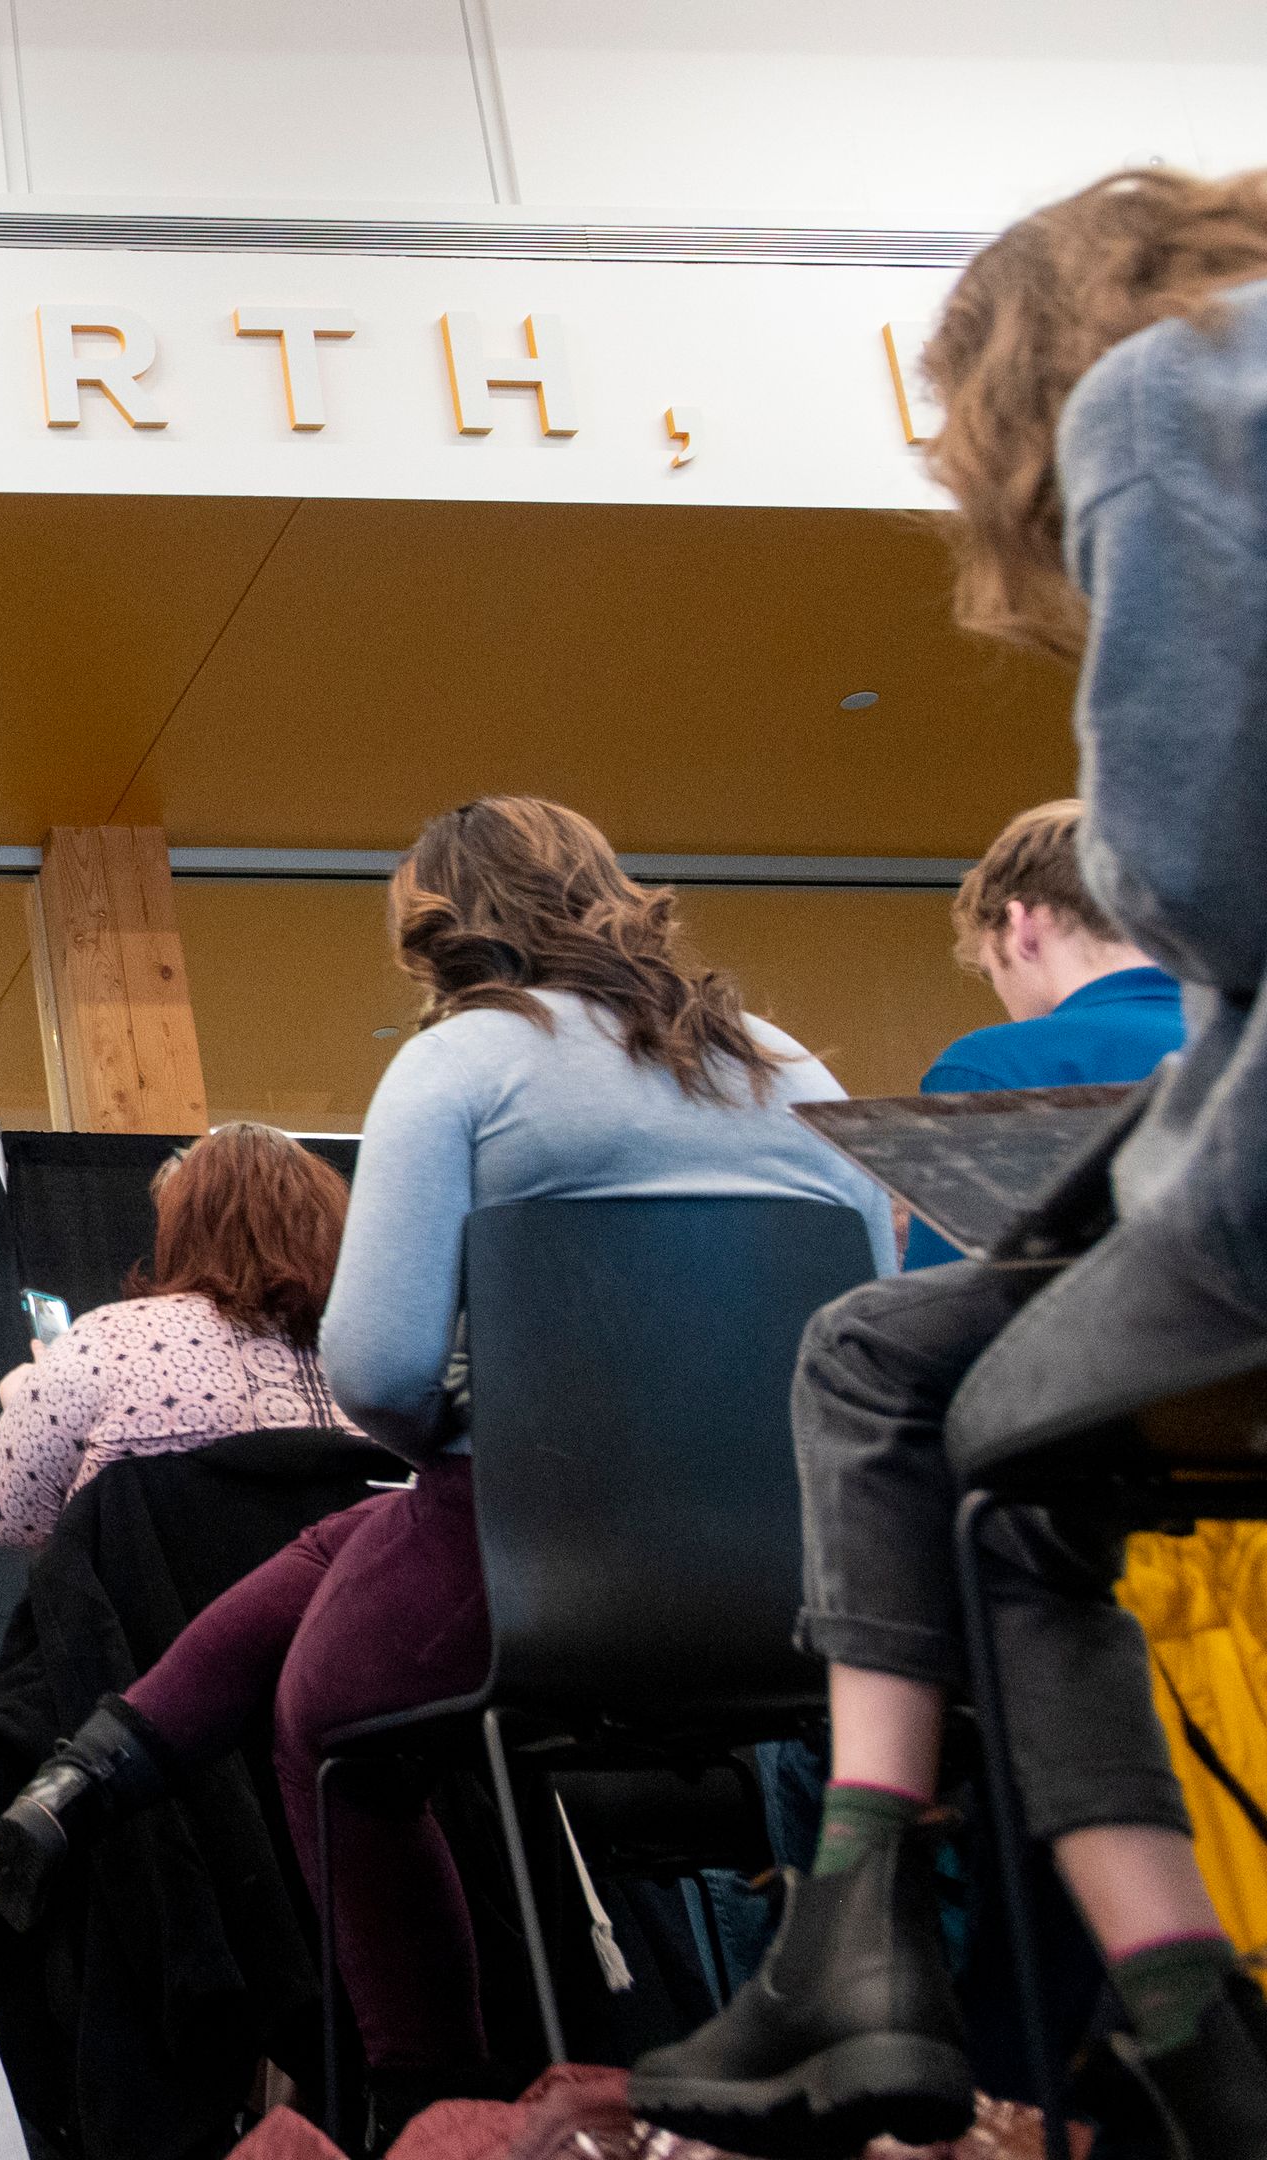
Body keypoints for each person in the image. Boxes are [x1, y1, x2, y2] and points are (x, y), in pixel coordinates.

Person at [634, 169, 1267, 2158]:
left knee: (913, 1398)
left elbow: (1204, 870)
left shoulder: (1170, 393)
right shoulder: (761, 1062)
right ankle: (951, 1963)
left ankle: (1061, 1991)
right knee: (952, 1395)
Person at [0, 795, 895, 2145]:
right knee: (342, 1544)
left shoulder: (463, 1067)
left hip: (558, 1552)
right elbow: (862, 1312)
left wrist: (465, 1442)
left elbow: (385, 1373)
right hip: (818, 1569)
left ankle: (427, 2089)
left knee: (330, 1721)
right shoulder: (792, 1065)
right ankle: (99, 1772)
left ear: (433, 936)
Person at [0, 1121, 361, 1549]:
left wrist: (26, 1399)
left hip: (164, 1614)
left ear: (181, 1227)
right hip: (348, 1609)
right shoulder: (381, 1359)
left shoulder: (106, 1346)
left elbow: (4, 1515)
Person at [896, 798, 1182, 1266]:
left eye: (993, 972)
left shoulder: (991, 1066)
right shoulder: (1242, 1049)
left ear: (1023, 926)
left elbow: (946, 1314)